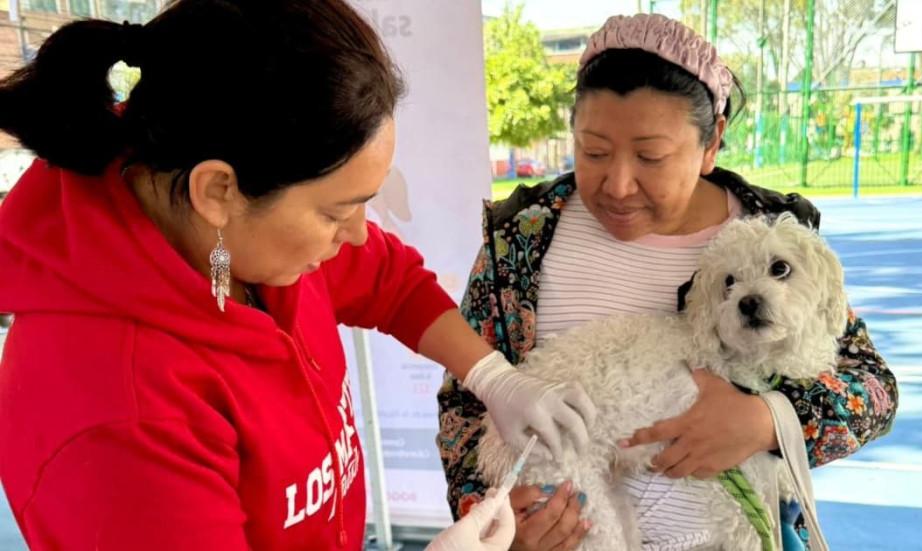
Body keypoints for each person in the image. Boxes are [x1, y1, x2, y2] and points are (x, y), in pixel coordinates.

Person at [0, 1, 596, 549]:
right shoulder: (113, 417)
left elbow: (391, 282)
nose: (361, 234)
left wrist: (494, 377)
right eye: (336, 211)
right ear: (218, 190)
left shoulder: (236, 231)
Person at [437, 14, 899, 551]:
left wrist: (766, 421)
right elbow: (464, 405)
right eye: (593, 151)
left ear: (712, 143)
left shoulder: (765, 240)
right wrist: (491, 514)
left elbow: (872, 389)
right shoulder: (521, 239)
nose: (618, 184)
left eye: (650, 156)